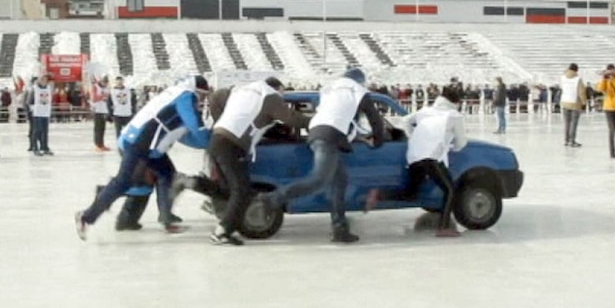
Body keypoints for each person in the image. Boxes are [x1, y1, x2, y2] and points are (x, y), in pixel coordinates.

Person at [74, 75, 212, 240]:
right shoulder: (186, 96)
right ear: (197, 90)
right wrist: (211, 139)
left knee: (167, 175)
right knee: (124, 182)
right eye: (202, 95)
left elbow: (185, 136)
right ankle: (86, 216)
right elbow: (196, 127)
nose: (202, 100)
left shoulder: (175, 96)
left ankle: (166, 219)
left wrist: (207, 142)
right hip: (139, 144)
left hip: (149, 148)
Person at [260, 68, 385, 243]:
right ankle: (273, 198)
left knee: (339, 182)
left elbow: (332, 112)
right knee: (318, 180)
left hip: (317, 131)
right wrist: (378, 141)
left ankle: (340, 229)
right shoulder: (358, 91)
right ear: (360, 81)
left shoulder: (329, 89)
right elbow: (375, 119)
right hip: (328, 137)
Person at [207, 77, 310, 246]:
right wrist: (320, 121)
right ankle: (221, 232)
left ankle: (196, 186)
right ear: (277, 88)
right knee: (242, 190)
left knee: (227, 189)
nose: (282, 98)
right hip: (232, 145)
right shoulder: (269, 95)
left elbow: (216, 98)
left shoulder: (243, 90)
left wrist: (220, 121)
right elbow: (291, 118)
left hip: (217, 139)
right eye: (282, 94)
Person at [370, 86, 467, 237]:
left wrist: (413, 136)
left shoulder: (425, 111)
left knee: (410, 193)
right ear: (457, 101)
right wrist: (451, 146)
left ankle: (380, 194)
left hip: (415, 155)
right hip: (432, 157)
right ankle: (444, 227)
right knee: (450, 190)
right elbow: (461, 143)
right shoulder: (454, 116)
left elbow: (405, 120)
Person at [560, 63, 588, 147]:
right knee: (573, 123)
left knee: (567, 123)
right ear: (577, 70)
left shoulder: (563, 77)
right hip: (574, 103)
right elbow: (581, 92)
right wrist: (584, 103)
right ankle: (572, 141)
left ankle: (566, 140)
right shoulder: (578, 79)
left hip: (564, 101)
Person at [27, 74, 54, 156]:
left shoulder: (48, 88)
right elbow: (29, 101)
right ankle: (35, 147)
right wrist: (32, 110)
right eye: (43, 80)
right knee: (37, 131)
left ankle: (45, 147)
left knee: (45, 132)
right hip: (37, 113)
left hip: (45, 113)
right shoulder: (34, 89)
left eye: (46, 80)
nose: (44, 81)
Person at [91, 77, 111, 151]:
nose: (105, 83)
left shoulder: (106, 88)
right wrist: (102, 97)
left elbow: (108, 97)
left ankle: (102, 144)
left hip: (104, 110)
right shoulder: (95, 87)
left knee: (103, 128)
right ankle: (97, 144)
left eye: (106, 82)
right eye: (104, 82)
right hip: (97, 110)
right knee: (98, 128)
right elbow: (93, 98)